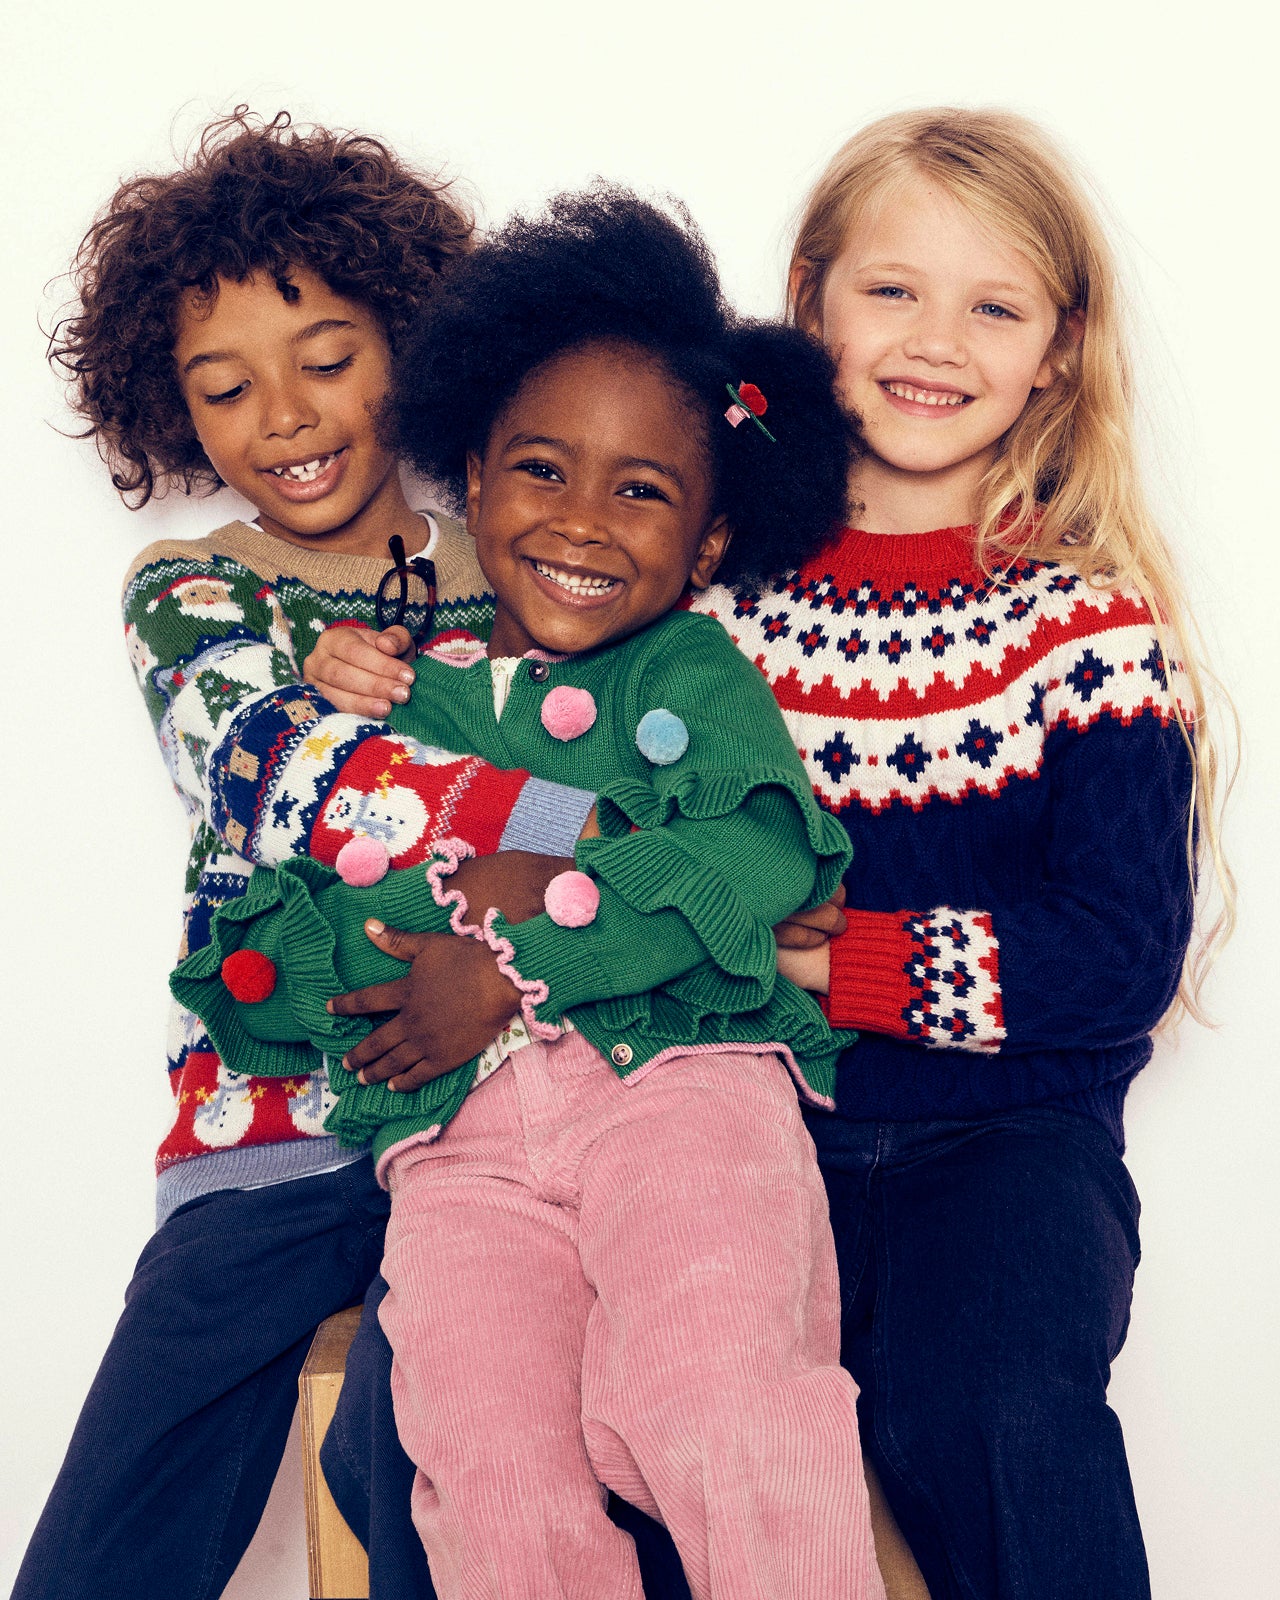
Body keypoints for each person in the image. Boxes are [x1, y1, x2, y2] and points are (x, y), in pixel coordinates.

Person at [174, 187, 888, 1600]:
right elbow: (327, 917)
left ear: (709, 545)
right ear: (474, 480)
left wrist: (516, 946)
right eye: (540, 470)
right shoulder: (400, 694)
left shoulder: (691, 677)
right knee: (487, 1472)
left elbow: (758, 854)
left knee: (713, 1400)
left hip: (684, 1091)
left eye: (642, 490)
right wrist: (305, 959)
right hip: (463, 1153)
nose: (580, 521)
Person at [15, 110, 660, 1600]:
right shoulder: (191, 590)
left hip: (500, 1123)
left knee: (430, 1452)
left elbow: (635, 771)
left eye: (327, 358)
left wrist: (558, 805)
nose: (286, 417)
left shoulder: (520, 558)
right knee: (122, 1508)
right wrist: (556, 816)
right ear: (173, 407)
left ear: (411, 347)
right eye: (224, 385)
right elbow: (292, 784)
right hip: (271, 1131)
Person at [681, 107, 1233, 1600]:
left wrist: (841, 962)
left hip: (1010, 1144)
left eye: (993, 305)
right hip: (743, 1132)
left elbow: (1117, 957)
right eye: (892, 290)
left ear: (1057, 348)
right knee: (669, 1435)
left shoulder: (1085, 627)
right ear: (811, 302)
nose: (938, 340)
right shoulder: (706, 599)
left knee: (987, 1409)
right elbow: (570, 814)